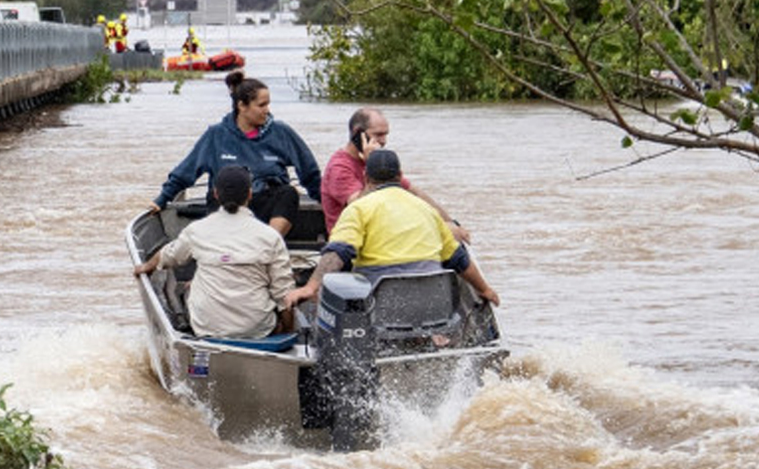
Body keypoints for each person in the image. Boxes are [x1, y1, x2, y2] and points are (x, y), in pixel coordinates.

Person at [285, 149, 499, 309]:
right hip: (433, 309)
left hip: (380, 309)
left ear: (366, 179)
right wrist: (485, 289)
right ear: (400, 176)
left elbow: (339, 252)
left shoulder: (359, 208)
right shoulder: (427, 209)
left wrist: (311, 287)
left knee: (337, 285)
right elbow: (459, 259)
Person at [135, 165, 295, 339]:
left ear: (216, 195)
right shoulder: (270, 236)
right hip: (257, 330)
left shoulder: (197, 230)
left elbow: (168, 256)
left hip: (207, 328)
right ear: (250, 194)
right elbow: (284, 294)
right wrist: (287, 331)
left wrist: (146, 266)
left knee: (192, 285)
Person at [151, 74, 321, 237]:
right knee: (214, 194)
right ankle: (224, 243)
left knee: (289, 193)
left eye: (268, 105)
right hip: (226, 208)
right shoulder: (216, 135)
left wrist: (326, 201)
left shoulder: (281, 132)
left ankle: (269, 244)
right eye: (261, 105)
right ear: (242, 106)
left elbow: (310, 173)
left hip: (265, 207)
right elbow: (185, 172)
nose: (267, 111)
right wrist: (161, 200)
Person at [322, 107, 471, 245]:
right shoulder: (340, 168)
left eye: (386, 135)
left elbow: (415, 192)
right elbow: (359, 206)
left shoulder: (379, 161)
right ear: (358, 134)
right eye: (378, 135)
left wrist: (449, 222)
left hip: (381, 234)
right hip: (352, 243)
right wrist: (370, 166)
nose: (383, 141)